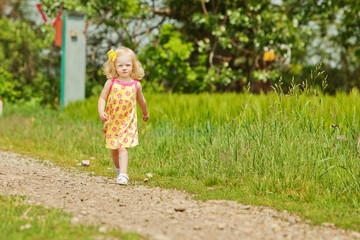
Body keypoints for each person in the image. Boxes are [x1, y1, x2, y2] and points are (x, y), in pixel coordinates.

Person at [98, 47, 149, 185]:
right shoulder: (111, 82)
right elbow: (102, 98)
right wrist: (101, 111)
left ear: (133, 66)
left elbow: (141, 101)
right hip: (113, 121)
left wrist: (145, 113)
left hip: (127, 121)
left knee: (122, 147)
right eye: (120, 65)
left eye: (128, 65)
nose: (124, 68)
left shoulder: (136, 85)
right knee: (114, 149)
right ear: (114, 66)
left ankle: (124, 175)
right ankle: (118, 169)